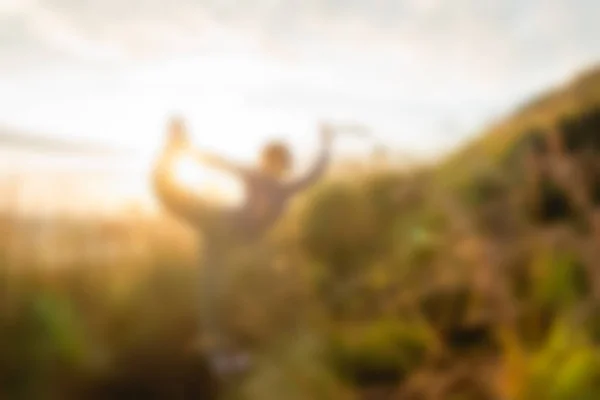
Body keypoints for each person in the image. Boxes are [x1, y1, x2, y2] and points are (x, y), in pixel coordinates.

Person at [151, 117, 335, 376]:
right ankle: (169, 152)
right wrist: (188, 150)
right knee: (177, 201)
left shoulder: (284, 188)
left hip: (237, 240)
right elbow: (222, 163)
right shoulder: (254, 175)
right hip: (224, 227)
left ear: (284, 167)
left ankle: (228, 354)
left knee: (225, 294)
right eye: (268, 162)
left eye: (277, 164)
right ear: (263, 161)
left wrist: (326, 145)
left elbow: (313, 175)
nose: (270, 168)